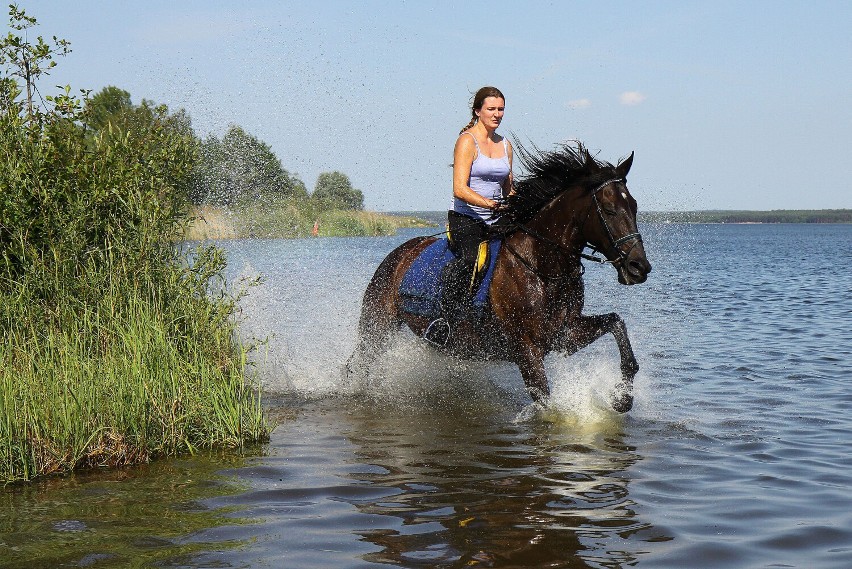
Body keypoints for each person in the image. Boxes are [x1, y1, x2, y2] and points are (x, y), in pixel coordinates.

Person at [426, 86, 513, 345]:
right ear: (478, 111)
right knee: (471, 260)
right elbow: (459, 188)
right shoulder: (467, 140)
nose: (497, 114)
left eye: (501, 109)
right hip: (466, 218)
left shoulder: (505, 145)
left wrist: (515, 203)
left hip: (496, 218)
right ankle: (443, 320)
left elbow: (509, 188)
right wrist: (489, 204)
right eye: (491, 109)